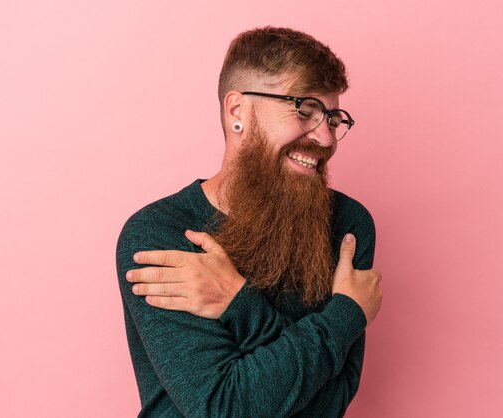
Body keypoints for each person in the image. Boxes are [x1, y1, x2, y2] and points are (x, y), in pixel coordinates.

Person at [116, 26, 383, 418]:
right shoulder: (158, 234)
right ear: (238, 111)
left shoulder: (348, 226)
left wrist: (237, 304)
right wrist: (345, 315)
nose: (326, 138)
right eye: (305, 110)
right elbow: (224, 408)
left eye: (332, 118)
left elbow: (331, 403)